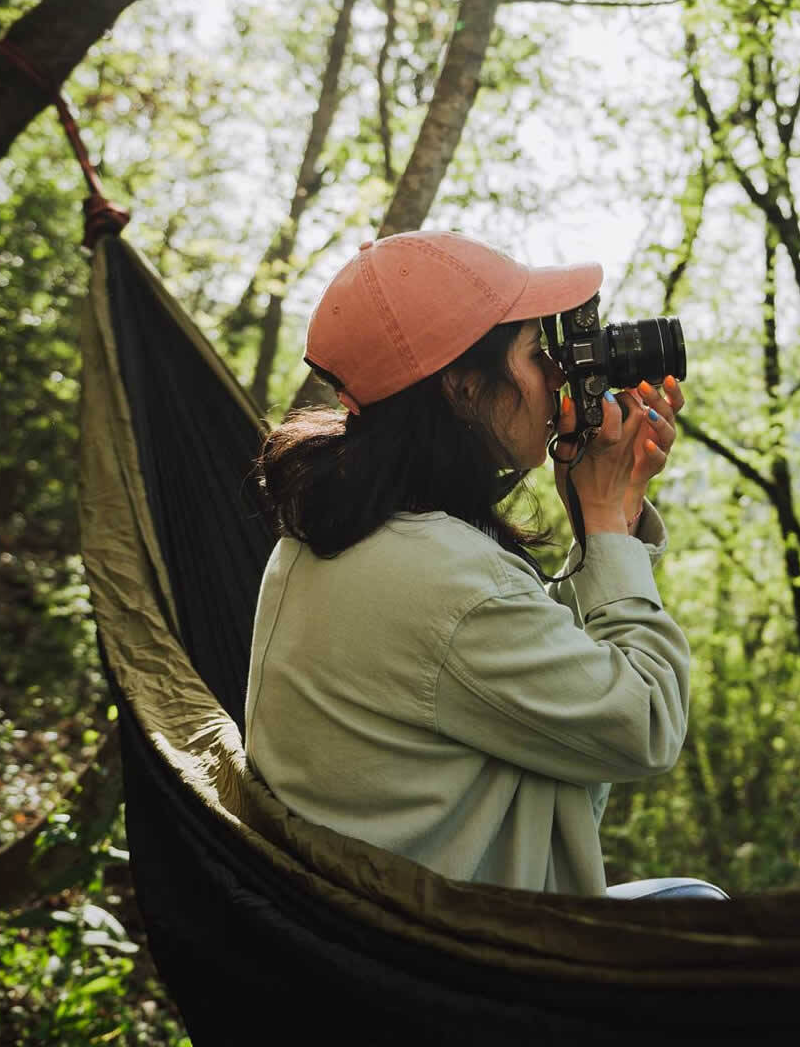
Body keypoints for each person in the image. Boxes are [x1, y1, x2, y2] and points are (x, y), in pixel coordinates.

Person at [242, 229, 724, 900]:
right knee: (701, 907)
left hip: (363, 933)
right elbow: (644, 726)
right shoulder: (448, 582)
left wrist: (611, 515)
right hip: (468, 964)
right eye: (536, 353)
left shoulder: (334, 529)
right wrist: (606, 523)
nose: (560, 373)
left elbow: (528, 667)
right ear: (467, 390)